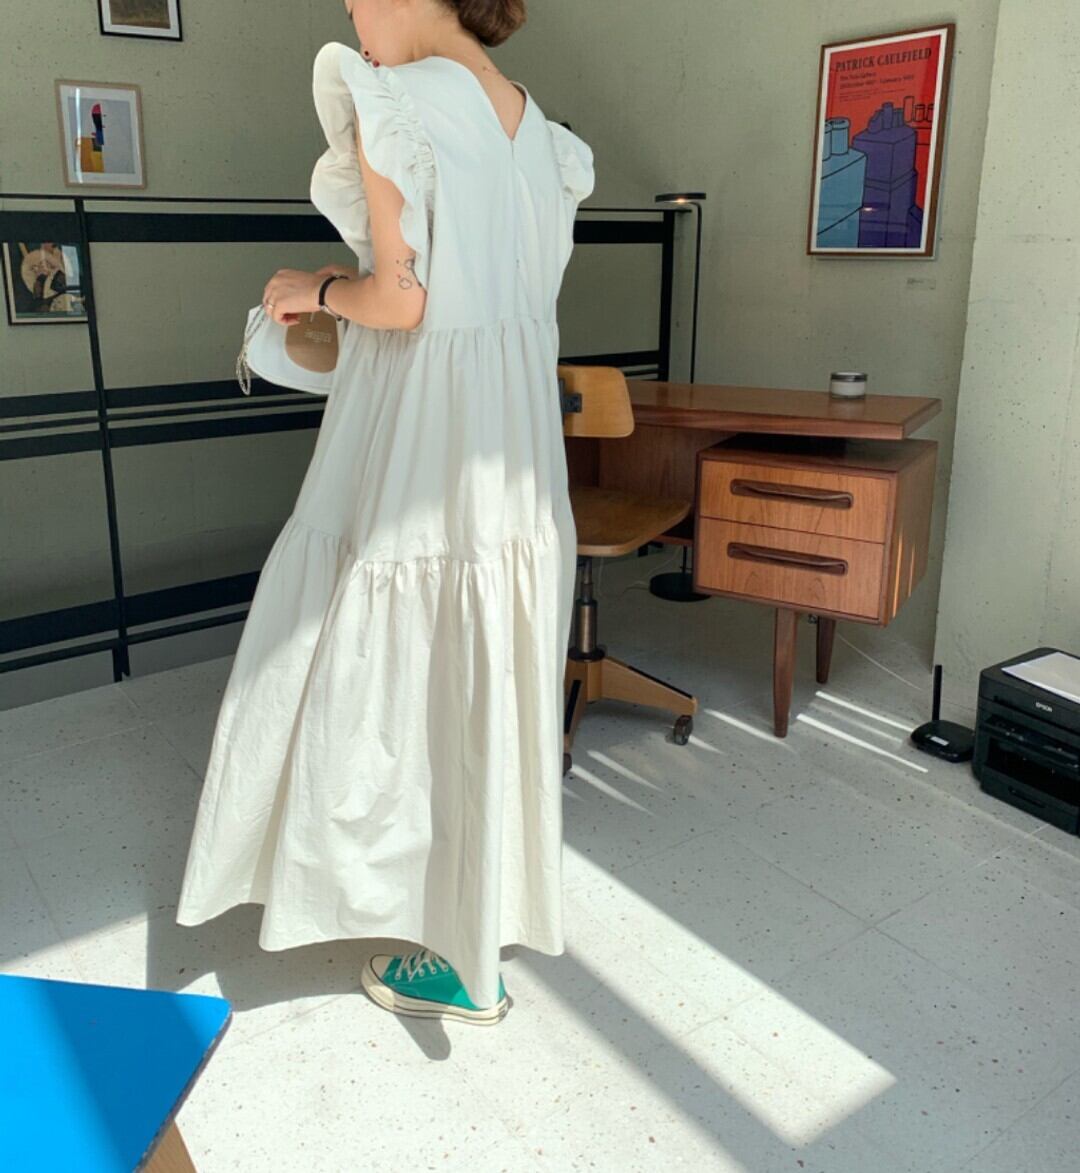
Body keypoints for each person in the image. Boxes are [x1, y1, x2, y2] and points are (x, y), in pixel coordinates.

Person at [174, 0, 595, 1027]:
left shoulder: (391, 100)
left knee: (377, 664)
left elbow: (401, 300)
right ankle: (472, 946)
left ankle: (368, 895)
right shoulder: (540, 130)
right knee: (482, 675)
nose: (352, 15)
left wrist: (316, 286)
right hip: (514, 446)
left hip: (423, 439)